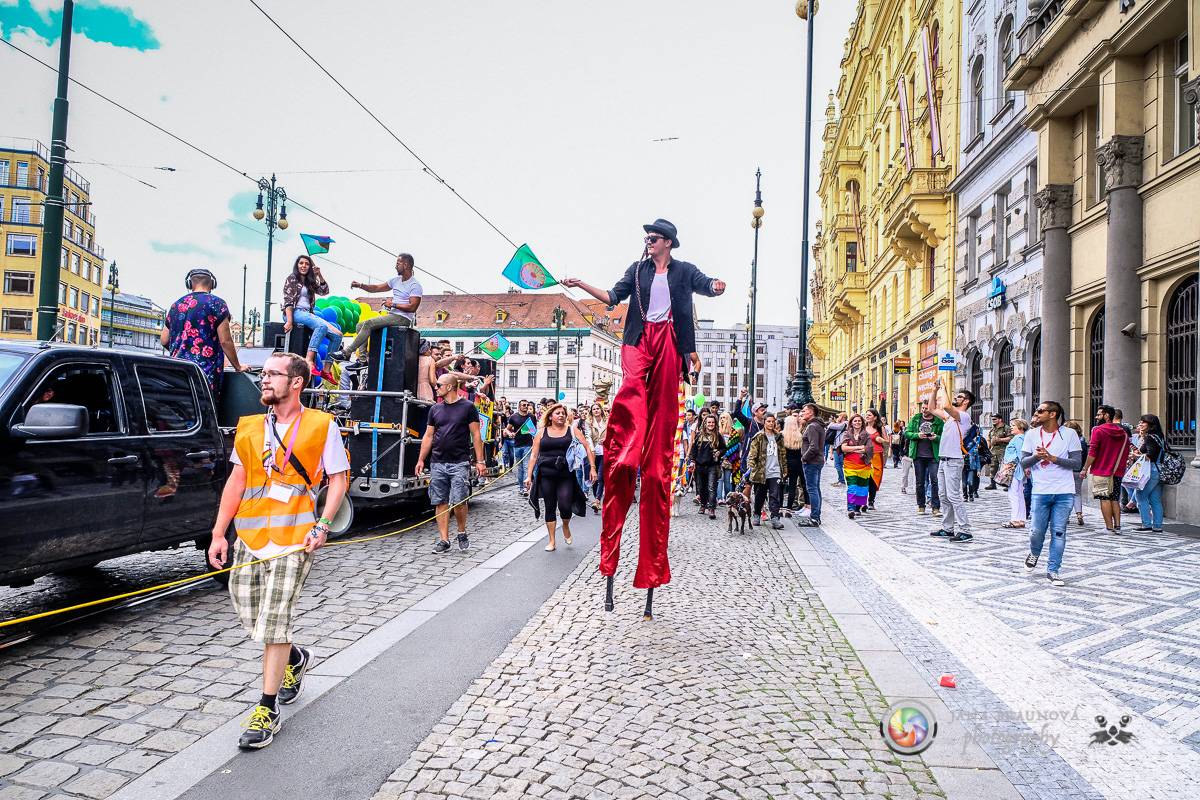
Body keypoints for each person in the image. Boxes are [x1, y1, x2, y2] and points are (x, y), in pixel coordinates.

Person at [561, 218, 725, 602]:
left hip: (670, 339)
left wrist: (717, 286)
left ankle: (651, 446)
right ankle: (629, 441)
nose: (648, 243)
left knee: (662, 416)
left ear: (666, 242)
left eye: (653, 239)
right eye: (647, 239)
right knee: (633, 385)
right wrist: (580, 283)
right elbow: (612, 297)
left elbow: (705, 285)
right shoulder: (637, 271)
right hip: (639, 340)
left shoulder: (683, 270)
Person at [206, 352, 349, 750]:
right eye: (263, 374)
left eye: (272, 374)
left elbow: (338, 479)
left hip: (295, 538)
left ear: (297, 382)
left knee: (273, 622)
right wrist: (219, 533)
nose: (264, 380)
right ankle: (295, 657)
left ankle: (266, 709)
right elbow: (237, 482)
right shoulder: (249, 427)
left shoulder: (322, 425)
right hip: (250, 538)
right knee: (251, 614)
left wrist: (323, 523)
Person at [414, 375, 488, 553]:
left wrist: (480, 461)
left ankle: (461, 532)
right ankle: (444, 539)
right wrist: (421, 459)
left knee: (460, 501)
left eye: (439, 385)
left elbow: (476, 435)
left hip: (459, 462)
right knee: (440, 501)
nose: (436, 387)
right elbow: (429, 436)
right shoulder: (435, 409)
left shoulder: (467, 407)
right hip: (438, 462)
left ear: (449, 387)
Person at [1022, 400, 1083, 585]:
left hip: (1064, 492)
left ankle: (1053, 570)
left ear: (1052, 414)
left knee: (1058, 532)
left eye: (1040, 411)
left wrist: (1053, 458)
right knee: (1036, 532)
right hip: (1040, 491)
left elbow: (1077, 464)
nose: (1037, 414)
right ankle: (1034, 552)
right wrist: (1037, 457)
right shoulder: (1032, 435)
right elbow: (1023, 463)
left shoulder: (1069, 434)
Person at [162, 268, 248, 399]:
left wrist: (183, 350)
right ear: (212, 284)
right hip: (204, 374)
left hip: (177, 373)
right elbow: (225, 341)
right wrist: (238, 366)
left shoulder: (176, 305)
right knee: (205, 414)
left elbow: (164, 340)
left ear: (189, 284)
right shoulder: (217, 304)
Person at [526, 402, 595, 551]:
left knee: (564, 504)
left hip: (566, 475)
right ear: (550, 416)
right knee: (549, 506)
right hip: (546, 475)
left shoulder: (572, 430)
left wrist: (592, 468)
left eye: (563, 413)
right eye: (558, 413)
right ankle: (552, 540)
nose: (561, 415)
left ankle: (565, 525)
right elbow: (533, 455)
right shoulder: (541, 432)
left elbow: (587, 447)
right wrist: (529, 476)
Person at [332, 254, 423, 360]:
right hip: (393, 315)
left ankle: (346, 352)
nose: (395, 266)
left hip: (403, 318)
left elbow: (413, 307)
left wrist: (393, 304)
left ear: (406, 265)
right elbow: (376, 288)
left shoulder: (415, 285)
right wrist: (361, 285)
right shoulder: (395, 280)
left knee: (369, 323)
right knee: (359, 326)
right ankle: (362, 359)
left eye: (398, 263)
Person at [930, 379, 974, 543]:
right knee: (944, 495)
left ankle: (965, 531)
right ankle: (948, 528)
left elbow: (947, 406)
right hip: (944, 460)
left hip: (954, 460)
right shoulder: (949, 417)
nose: (956, 397)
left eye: (960, 396)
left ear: (966, 401)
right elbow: (932, 408)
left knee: (954, 496)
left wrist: (944, 389)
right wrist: (935, 390)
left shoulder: (964, 416)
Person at [281, 255, 337, 372]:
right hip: (294, 312)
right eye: (301, 263)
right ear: (297, 265)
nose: (304, 266)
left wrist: (319, 275)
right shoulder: (292, 278)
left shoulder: (310, 282)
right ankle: (309, 360)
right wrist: (289, 321)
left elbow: (324, 291)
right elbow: (288, 301)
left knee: (337, 335)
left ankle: (326, 371)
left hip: (307, 314)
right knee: (321, 326)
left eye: (307, 264)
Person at [1080, 404, 1130, 533]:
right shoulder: (1123, 433)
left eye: (1099, 414)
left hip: (1101, 471)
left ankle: (1109, 527)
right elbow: (1125, 453)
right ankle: (1118, 526)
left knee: (1104, 498)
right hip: (1117, 471)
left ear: (1106, 415)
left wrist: (1085, 468)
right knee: (1115, 498)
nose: (1096, 417)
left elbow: (1092, 452)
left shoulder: (1098, 430)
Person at [747, 412, 787, 529]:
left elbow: (783, 454)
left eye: (772, 421)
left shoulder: (779, 437)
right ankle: (757, 514)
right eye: (768, 421)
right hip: (761, 471)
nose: (771, 423)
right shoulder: (759, 436)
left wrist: (784, 469)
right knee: (760, 495)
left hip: (775, 471)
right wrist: (752, 467)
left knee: (775, 495)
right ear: (764, 422)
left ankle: (775, 517)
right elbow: (753, 454)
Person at [1132, 414, 1166, 533]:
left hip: (1151, 470)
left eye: (1143, 422)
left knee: (1140, 495)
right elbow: (1141, 450)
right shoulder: (1160, 437)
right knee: (1155, 499)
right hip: (1159, 470)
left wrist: (1136, 456)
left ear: (1151, 424)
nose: (1140, 424)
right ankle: (1157, 526)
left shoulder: (1150, 437)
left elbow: (1150, 456)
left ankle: (1146, 524)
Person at [688, 413, 727, 519]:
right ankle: (703, 505)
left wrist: (719, 452)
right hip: (700, 466)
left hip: (712, 466)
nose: (711, 424)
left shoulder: (718, 436)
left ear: (715, 424)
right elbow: (694, 449)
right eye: (709, 422)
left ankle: (711, 508)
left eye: (713, 422)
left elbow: (724, 448)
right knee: (701, 488)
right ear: (705, 423)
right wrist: (692, 460)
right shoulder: (699, 435)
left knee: (711, 487)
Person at [840, 414, 872, 519]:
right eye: (855, 421)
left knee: (862, 489)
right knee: (852, 487)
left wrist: (852, 448)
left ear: (862, 422)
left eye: (859, 421)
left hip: (864, 466)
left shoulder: (866, 435)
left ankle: (858, 508)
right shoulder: (846, 434)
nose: (857, 422)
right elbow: (843, 448)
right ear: (851, 423)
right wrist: (858, 447)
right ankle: (851, 509)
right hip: (849, 465)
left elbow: (867, 449)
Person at [799, 402, 826, 527]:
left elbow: (813, 447)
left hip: (811, 462)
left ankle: (814, 517)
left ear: (811, 412)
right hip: (817, 461)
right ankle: (816, 516)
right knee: (816, 488)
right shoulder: (817, 425)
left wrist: (804, 458)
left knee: (812, 489)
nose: (802, 413)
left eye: (804, 411)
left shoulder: (812, 426)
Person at [1001, 419, 1030, 528]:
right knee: (1019, 495)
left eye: (1013, 425)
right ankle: (1021, 519)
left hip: (1014, 469)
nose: (1011, 427)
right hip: (1019, 469)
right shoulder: (1023, 438)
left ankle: (1015, 519)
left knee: (1014, 495)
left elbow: (1020, 455)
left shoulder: (1018, 439)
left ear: (1020, 427)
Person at [583, 403, 608, 511]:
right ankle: (596, 500)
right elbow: (588, 436)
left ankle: (597, 500)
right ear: (591, 411)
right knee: (593, 477)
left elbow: (612, 433)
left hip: (604, 452)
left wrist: (607, 439)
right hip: (593, 452)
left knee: (601, 476)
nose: (596, 410)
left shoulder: (607, 421)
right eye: (594, 409)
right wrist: (591, 449)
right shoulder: (589, 422)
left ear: (601, 410)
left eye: (598, 408)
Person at [1064, 420, 1088, 526]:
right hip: (1079, 471)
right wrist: (1084, 469)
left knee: (1066, 494)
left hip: (1067, 470)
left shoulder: (1065, 441)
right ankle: (1079, 514)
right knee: (1077, 493)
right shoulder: (1082, 441)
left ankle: (1066, 516)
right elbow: (1086, 456)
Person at [782, 409, 807, 513]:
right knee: (798, 485)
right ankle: (794, 506)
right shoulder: (800, 435)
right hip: (798, 463)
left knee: (786, 485)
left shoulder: (782, 435)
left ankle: (784, 507)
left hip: (787, 463)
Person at [864, 409, 888, 511]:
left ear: (875, 417)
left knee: (874, 478)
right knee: (864, 478)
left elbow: (887, 441)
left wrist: (880, 440)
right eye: (866, 415)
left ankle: (871, 501)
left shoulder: (879, 427)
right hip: (864, 454)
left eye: (869, 415)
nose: (867, 416)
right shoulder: (862, 427)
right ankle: (862, 501)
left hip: (877, 455)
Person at [985, 413, 1011, 490]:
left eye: (995, 419)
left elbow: (1011, 438)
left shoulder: (1006, 428)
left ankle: (1006, 484)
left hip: (1004, 450)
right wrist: (988, 447)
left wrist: (1000, 439)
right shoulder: (992, 429)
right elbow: (989, 439)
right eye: (992, 419)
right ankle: (992, 484)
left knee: (1005, 468)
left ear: (1000, 419)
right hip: (994, 451)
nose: (993, 421)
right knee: (993, 467)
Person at [717, 412, 739, 500]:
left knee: (727, 480)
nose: (722, 420)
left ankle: (728, 498)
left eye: (724, 418)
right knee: (720, 479)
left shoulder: (734, 432)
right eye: (721, 418)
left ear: (728, 419)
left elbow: (735, 447)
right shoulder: (718, 432)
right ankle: (719, 498)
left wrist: (725, 455)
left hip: (730, 460)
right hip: (719, 460)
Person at [827, 412, 848, 486]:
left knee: (837, 465)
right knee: (839, 464)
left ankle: (842, 480)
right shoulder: (841, 425)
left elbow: (830, 426)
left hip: (840, 448)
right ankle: (841, 479)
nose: (837, 418)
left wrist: (832, 423)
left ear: (842, 417)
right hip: (837, 447)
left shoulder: (845, 423)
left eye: (839, 417)